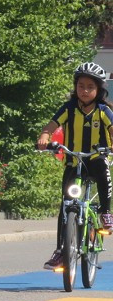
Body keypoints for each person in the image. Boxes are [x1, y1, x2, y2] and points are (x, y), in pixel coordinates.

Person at [35, 62, 113, 271]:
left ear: (99, 90)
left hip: (96, 158)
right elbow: (52, 125)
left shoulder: (103, 110)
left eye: (90, 87)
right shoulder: (69, 109)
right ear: (75, 87)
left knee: (105, 180)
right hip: (74, 161)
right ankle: (61, 250)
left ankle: (106, 212)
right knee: (66, 204)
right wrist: (44, 136)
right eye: (81, 86)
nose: (85, 91)